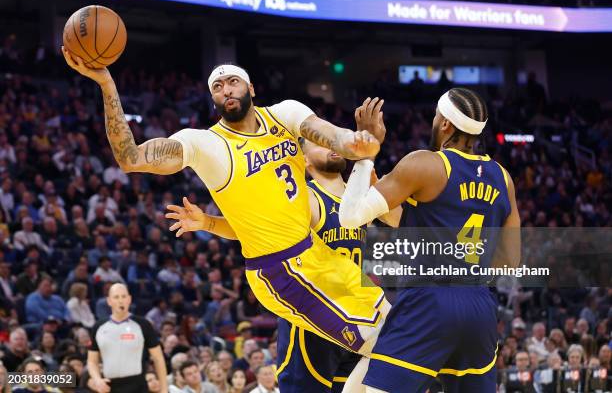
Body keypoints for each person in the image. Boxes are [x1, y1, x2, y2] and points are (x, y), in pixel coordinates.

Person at [62, 50, 389, 365]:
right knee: (384, 341)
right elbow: (130, 159)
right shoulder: (207, 145)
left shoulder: (285, 113)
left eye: (233, 82)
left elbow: (334, 137)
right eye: (217, 87)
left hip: (319, 254)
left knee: (398, 324)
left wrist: (361, 142)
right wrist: (107, 84)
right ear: (213, 99)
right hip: (281, 271)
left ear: (251, 88)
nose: (225, 90)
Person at [167, 138, 401, 392]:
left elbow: (401, 226)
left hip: (357, 308)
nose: (331, 145)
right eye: (320, 143)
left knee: (388, 351)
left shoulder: (361, 193)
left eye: (332, 139)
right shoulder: (302, 195)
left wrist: (382, 186)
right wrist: (208, 223)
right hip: (311, 318)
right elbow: (255, 228)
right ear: (304, 158)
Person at [339, 89, 520, 392]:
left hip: (429, 300)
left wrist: (366, 154)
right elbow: (510, 261)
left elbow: (350, 217)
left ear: (445, 124)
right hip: (480, 307)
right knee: (356, 387)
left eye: (436, 117)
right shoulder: (503, 178)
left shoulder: (425, 164)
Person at [88, 283, 168, 393]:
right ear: (109, 301)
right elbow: (92, 361)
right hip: (110, 387)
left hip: (138, 386)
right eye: (116, 297)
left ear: (129, 299)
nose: (120, 301)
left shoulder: (143, 324)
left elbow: (158, 358)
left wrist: (164, 390)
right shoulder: (99, 327)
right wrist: (97, 379)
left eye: (123, 296)